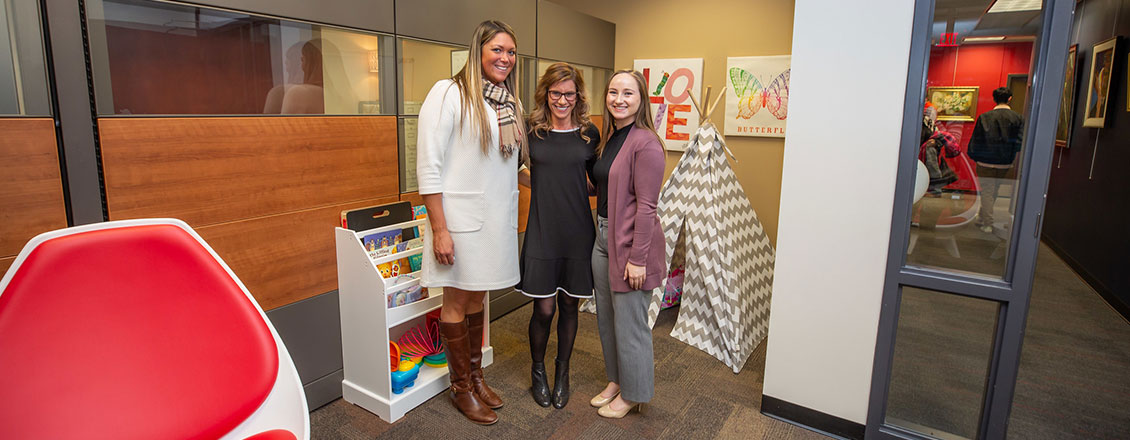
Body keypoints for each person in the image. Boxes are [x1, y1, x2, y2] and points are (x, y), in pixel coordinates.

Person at [415, 20, 527, 426]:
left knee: (480, 299)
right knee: (456, 302)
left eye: (511, 52)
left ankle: (477, 378)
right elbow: (429, 167)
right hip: (459, 224)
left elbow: (508, 165)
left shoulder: (506, 104)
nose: (505, 58)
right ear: (478, 50)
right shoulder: (449, 93)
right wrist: (440, 229)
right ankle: (461, 388)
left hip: (493, 222)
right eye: (497, 49)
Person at [516, 63, 599, 409]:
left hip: (578, 230)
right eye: (555, 93)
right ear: (545, 94)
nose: (562, 100)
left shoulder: (589, 133)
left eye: (569, 94)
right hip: (542, 230)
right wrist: (544, 185)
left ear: (578, 95)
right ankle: (538, 370)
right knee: (545, 308)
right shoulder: (532, 131)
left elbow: (595, 183)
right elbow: (517, 171)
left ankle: (562, 372)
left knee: (569, 304)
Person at [586, 70, 665, 419]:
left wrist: (638, 259)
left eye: (628, 93)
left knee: (631, 322)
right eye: (613, 92)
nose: (619, 99)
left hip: (630, 244)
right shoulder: (610, 138)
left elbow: (648, 206)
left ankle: (634, 393)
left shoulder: (646, 142)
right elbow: (602, 187)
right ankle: (617, 379)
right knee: (607, 319)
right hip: (603, 238)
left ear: (641, 99)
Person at [967, 87, 1023, 234]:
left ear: (994, 99)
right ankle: (982, 218)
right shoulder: (1018, 118)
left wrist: (975, 157)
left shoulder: (985, 117)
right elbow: (1019, 142)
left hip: (985, 161)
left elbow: (976, 141)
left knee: (987, 191)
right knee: (994, 191)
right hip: (1005, 163)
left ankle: (987, 222)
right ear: (1010, 98)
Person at [916, 106, 961, 230]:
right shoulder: (933, 133)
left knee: (920, 206)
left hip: (926, 176)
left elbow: (932, 165)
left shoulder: (928, 136)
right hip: (928, 175)